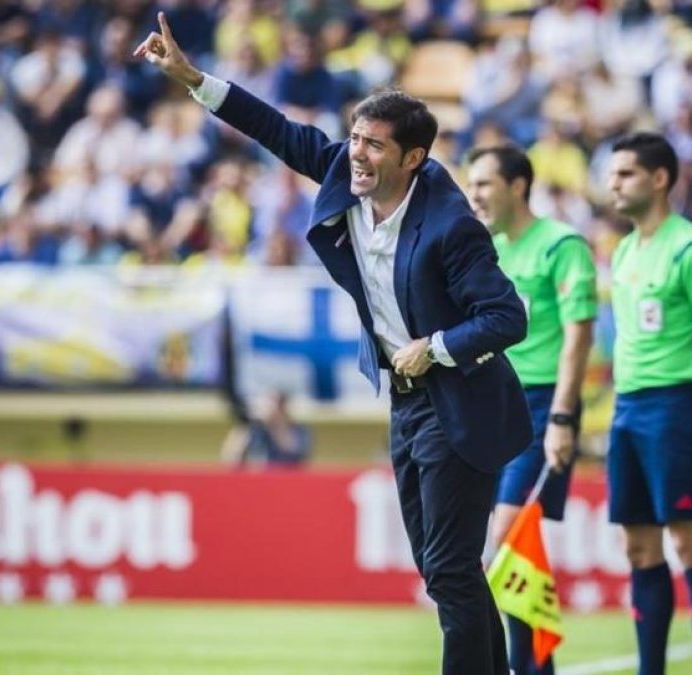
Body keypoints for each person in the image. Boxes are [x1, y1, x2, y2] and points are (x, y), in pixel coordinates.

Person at [135, 14, 532, 675]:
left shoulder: (452, 226)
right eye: (354, 138)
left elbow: (506, 317)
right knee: (445, 571)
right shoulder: (345, 175)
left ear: (413, 158)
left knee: (451, 570)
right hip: (407, 403)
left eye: (374, 145)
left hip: (459, 402)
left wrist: (433, 346)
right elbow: (276, 130)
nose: (356, 153)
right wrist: (193, 79)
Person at [604, 132, 692, 675]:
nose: (613, 184)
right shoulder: (623, 249)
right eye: (612, 175)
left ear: (660, 179)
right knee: (639, 548)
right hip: (627, 409)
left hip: (676, 406)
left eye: (625, 174)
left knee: (690, 541)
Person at [465, 145, 596, 675]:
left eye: (483, 184)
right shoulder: (484, 250)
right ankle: (531, 665)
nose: (473, 195)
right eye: (470, 185)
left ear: (518, 186)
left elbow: (578, 336)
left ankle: (528, 666)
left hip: (540, 406)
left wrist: (563, 417)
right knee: (502, 547)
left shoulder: (562, 245)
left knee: (508, 538)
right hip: (488, 402)